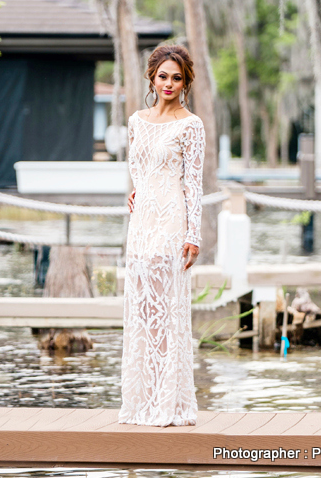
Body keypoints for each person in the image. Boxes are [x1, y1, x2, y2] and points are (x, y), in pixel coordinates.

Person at [118, 44, 205, 427]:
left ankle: (168, 403)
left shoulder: (191, 125)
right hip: (140, 226)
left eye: (177, 78)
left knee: (166, 314)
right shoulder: (137, 120)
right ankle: (141, 402)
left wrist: (194, 234)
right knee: (141, 313)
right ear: (152, 78)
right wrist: (137, 189)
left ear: (185, 82)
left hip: (171, 225)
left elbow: (194, 185)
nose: (169, 83)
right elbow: (139, 167)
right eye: (163, 76)